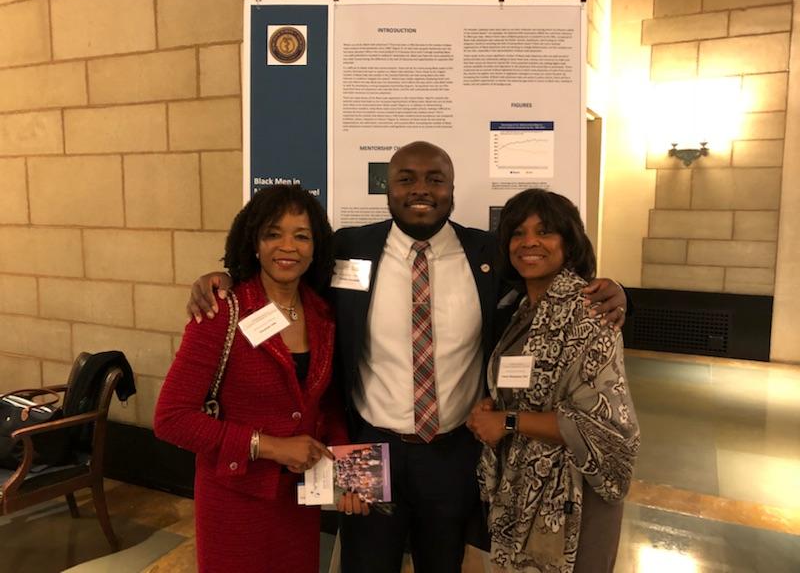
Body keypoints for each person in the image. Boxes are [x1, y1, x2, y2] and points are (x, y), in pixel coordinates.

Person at [186, 142, 628, 573]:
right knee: (367, 564)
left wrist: (619, 294)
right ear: (387, 190)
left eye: (435, 180)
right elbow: (284, 276)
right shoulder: (347, 247)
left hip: (453, 453)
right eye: (406, 179)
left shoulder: (488, 254)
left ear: (452, 191)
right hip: (371, 447)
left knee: (443, 563)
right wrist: (224, 276)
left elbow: (549, 289)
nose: (421, 189)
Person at [154, 185, 349, 573]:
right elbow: (170, 418)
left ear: (316, 247)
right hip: (235, 498)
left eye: (302, 235)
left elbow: (326, 401)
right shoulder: (222, 311)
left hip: (297, 502)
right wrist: (271, 446)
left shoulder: (322, 313)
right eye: (273, 233)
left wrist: (345, 467)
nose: (288, 247)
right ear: (254, 243)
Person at [466, 189, 640, 573]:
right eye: (517, 233)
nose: (529, 242)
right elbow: (526, 389)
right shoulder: (518, 309)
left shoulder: (590, 313)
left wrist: (508, 422)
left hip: (574, 496)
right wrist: (495, 405)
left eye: (544, 232)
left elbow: (607, 428)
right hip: (521, 487)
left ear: (569, 241)